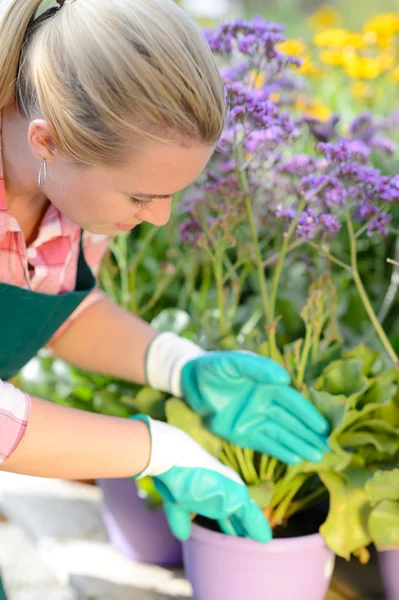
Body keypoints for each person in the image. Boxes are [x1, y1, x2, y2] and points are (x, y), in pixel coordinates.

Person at [0, 0, 331, 582]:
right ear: (47, 141)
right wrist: (154, 449)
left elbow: (56, 312)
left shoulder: (71, 187)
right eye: (139, 196)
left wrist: (180, 367)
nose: (160, 217)